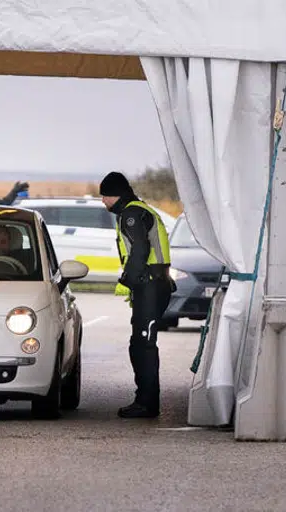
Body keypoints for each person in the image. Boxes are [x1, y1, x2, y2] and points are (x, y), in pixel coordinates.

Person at [99, 171, 172, 419]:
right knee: (140, 344)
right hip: (154, 284)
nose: (103, 201)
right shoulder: (141, 209)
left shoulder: (131, 214)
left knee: (143, 345)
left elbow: (140, 249)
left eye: (105, 196)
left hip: (150, 285)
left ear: (115, 195)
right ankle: (145, 400)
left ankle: (147, 404)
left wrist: (128, 280)